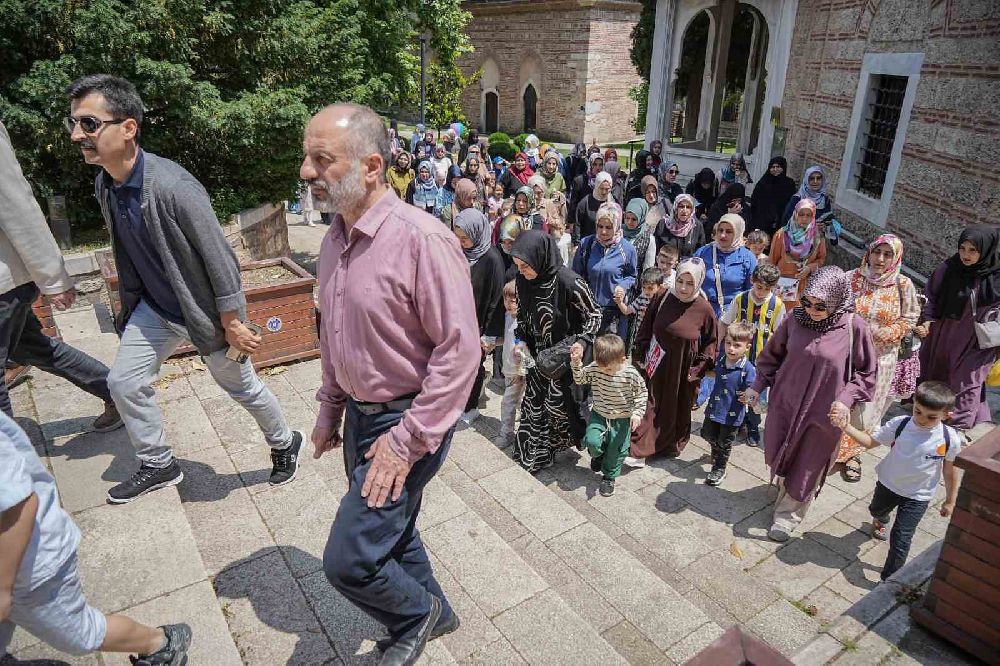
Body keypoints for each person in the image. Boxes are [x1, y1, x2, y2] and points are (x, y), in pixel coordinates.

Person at [69, 74, 300, 503]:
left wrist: (233, 320)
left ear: (128, 127)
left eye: (88, 124)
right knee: (123, 382)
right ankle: (158, 462)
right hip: (154, 310)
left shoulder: (175, 188)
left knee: (243, 389)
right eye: (75, 124)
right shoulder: (106, 184)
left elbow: (221, 258)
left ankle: (286, 441)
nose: (76, 135)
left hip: (204, 315)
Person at [304, 103, 478, 665]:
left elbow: (461, 352)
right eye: (306, 157)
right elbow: (333, 332)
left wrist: (404, 443)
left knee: (349, 559)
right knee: (395, 530)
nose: (306, 172)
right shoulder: (333, 239)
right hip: (358, 416)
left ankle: (413, 616)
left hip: (409, 423)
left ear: (372, 165)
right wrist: (330, 410)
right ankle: (439, 612)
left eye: (321, 159)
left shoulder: (423, 240)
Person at [0, 413, 191, 665]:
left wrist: (2, 589)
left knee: (80, 635)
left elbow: (20, 506)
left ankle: (160, 643)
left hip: (32, 566)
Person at [0, 120, 121, 428]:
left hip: (4, 284)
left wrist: (53, 278)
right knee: (35, 349)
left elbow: (17, 205)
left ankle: (12, 470)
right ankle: (122, 396)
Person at [742, 266, 877, 542]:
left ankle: (788, 515)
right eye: (808, 302)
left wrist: (845, 399)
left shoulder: (854, 327)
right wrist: (757, 387)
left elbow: (867, 373)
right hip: (786, 405)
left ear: (837, 300)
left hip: (824, 412)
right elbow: (771, 358)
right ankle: (785, 489)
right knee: (782, 450)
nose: (813, 310)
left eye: (821, 306)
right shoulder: (795, 318)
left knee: (809, 461)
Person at [837, 381, 960, 580]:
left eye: (931, 417)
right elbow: (870, 442)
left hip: (918, 496)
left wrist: (951, 499)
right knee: (876, 510)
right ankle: (881, 518)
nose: (922, 419)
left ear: (947, 415)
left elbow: (950, 470)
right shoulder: (900, 424)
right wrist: (846, 427)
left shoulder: (950, 438)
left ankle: (890, 579)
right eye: (918, 411)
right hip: (888, 484)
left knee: (901, 538)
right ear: (913, 403)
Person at [510, 231, 601, 474]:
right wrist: (520, 340)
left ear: (540, 257)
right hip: (537, 356)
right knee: (532, 405)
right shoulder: (522, 281)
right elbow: (522, 316)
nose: (521, 271)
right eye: (517, 266)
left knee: (559, 407)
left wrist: (582, 341)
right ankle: (535, 456)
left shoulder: (569, 281)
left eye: (525, 266)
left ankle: (588, 444)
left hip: (563, 358)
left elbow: (594, 314)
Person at [835, 235, 919, 482]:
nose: (880, 259)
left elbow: (910, 318)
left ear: (896, 258)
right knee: (839, 400)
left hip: (880, 359)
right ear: (869, 252)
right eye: (877, 252)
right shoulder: (852, 277)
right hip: (846, 353)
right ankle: (827, 445)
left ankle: (853, 453)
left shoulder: (903, 285)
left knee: (867, 409)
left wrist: (889, 332)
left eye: (887, 254)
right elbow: (835, 307)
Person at [627, 258, 717, 467]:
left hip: (684, 367)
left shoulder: (704, 307)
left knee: (677, 405)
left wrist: (699, 368)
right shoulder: (662, 296)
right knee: (652, 401)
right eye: (681, 281)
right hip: (658, 360)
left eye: (690, 283)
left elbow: (711, 341)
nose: (684, 288)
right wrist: (639, 352)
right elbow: (646, 325)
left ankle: (668, 445)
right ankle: (640, 448)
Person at [916, 225, 1000, 434]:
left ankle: (956, 428)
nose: (966, 255)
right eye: (962, 248)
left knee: (967, 383)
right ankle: (931, 413)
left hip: (978, 340)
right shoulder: (949, 268)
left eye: (973, 250)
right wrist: (927, 319)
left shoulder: (996, 278)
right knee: (938, 374)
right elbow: (931, 295)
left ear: (986, 250)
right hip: (944, 333)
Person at [569, 334, 647, 496]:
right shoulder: (597, 366)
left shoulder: (630, 374)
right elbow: (581, 378)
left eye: (609, 369)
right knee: (592, 440)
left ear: (622, 359)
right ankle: (597, 454)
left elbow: (641, 394)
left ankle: (609, 477)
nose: (605, 371)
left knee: (616, 450)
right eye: (602, 367)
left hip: (622, 419)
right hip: (599, 415)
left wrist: (637, 414)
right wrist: (576, 363)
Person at [719, 262, 784, 447]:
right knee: (735, 391)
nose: (761, 292)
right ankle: (735, 422)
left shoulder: (777, 305)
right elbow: (725, 321)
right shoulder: (741, 299)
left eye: (766, 289)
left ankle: (753, 427)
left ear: (774, 287)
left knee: (755, 397)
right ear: (751, 281)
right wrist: (720, 345)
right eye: (758, 287)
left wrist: (778, 360)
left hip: (761, 362)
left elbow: (780, 336)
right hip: (737, 358)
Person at [453, 208, 505, 424]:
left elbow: (496, 300)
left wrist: (490, 334)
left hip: (479, 324)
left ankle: (471, 406)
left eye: (465, 238)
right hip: (457, 321)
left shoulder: (492, 259)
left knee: (473, 366)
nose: (461, 242)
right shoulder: (459, 252)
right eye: (458, 237)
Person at [572, 202, 638, 339]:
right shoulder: (586, 245)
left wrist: (622, 287)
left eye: (608, 227)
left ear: (617, 225)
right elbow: (575, 275)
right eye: (600, 226)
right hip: (588, 310)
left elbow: (632, 276)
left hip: (612, 313)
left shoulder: (627, 249)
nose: (603, 231)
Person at [702, 322, 757, 485]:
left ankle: (719, 468)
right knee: (706, 434)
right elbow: (715, 374)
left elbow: (753, 391)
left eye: (737, 345)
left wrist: (748, 397)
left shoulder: (747, 369)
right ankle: (715, 449)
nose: (731, 349)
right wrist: (700, 373)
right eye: (728, 344)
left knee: (725, 443)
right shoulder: (721, 360)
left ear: (747, 347)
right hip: (714, 407)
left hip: (732, 414)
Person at [695, 213, 757, 319]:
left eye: (729, 232)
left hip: (734, 314)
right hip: (703, 312)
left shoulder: (748, 258)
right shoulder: (703, 252)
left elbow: (752, 291)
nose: (723, 235)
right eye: (720, 230)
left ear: (738, 233)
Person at [769, 199, 827, 307]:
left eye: (808, 215)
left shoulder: (817, 236)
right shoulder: (782, 234)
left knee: (799, 314)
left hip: (805, 283)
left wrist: (809, 268)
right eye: (801, 214)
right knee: (781, 313)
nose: (804, 219)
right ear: (795, 214)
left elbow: (821, 259)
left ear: (813, 216)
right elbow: (772, 261)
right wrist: (770, 282)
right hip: (783, 281)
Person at [495, 281, 525, 449]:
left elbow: (525, 348)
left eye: (513, 300)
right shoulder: (507, 317)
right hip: (508, 368)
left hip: (518, 371)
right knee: (516, 401)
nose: (509, 304)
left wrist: (521, 372)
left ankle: (506, 433)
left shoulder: (524, 320)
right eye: (506, 300)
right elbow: (505, 339)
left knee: (508, 402)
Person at [617, 266, 668, 354]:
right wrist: (619, 303)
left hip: (656, 340)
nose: (646, 291)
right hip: (641, 337)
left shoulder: (663, 301)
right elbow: (626, 311)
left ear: (659, 287)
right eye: (644, 287)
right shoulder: (641, 298)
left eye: (650, 288)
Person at [750, 157, 796, 235]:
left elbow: (790, 203)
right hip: (762, 220)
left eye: (778, 167)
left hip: (780, 220)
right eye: (772, 167)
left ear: (783, 168)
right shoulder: (763, 183)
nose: (775, 169)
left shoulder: (789, 184)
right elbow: (754, 202)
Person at [654, 193, 705, 258]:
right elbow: (656, 250)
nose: (684, 210)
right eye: (681, 206)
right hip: (666, 265)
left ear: (692, 210)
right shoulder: (663, 224)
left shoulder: (697, 226)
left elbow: (701, 252)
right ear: (675, 208)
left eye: (688, 207)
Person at [574, 171, 614, 243]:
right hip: (588, 243)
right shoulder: (585, 203)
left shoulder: (613, 203)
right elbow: (577, 224)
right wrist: (577, 243)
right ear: (596, 186)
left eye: (607, 189)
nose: (604, 192)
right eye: (601, 188)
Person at [569, 153, 604, 227]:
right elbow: (573, 203)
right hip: (582, 219)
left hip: (599, 219)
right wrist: (571, 222)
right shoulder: (580, 181)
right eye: (595, 164)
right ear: (590, 164)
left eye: (600, 165)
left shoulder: (604, 181)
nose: (598, 167)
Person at [623, 198, 657, 274]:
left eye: (634, 219)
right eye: (627, 218)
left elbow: (648, 267)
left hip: (634, 281)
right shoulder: (618, 232)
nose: (629, 222)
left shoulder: (648, 239)